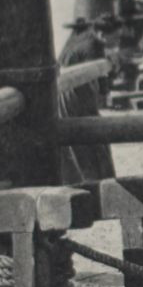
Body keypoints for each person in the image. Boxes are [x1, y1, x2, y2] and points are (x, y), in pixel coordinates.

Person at [54, 16, 116, 183]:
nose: (115, 41)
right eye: (114, 37)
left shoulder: (75, 40)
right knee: (89, 135)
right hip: (75, 94)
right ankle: (96, 180)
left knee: (76, 138)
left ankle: (86, 179)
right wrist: (108, 82)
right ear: (103, 33)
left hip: (65, 93)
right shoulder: (94, 45)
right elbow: (100, 76)